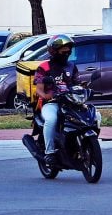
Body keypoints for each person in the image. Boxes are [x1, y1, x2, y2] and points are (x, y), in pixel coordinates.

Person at [33, 34, 79, 167]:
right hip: (51, 103)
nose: (67, 52)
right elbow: (39, 89)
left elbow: (77, 84)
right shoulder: (44, 67)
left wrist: (84, 89)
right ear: (54, 50)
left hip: (71, 102)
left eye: (69, 49)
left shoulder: (71, 66)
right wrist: (46, 95)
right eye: (63, 49)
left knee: (94, 116)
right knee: (51, 119)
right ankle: (50, 153)